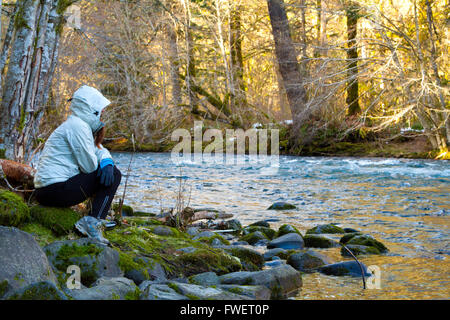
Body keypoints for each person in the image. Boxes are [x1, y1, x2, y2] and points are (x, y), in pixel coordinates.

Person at [33, 85, 122, 245]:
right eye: (100, 111)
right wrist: (105, 165)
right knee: (114, 174)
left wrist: (106, 161)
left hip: (49, 189)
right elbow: (89, 166)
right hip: (53, 190)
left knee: (109, 169)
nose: (102, 115)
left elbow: (97, 150)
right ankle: (94, 222)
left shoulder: (78, 125)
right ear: (91, 109)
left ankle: (95, 220)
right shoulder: (78, 127)